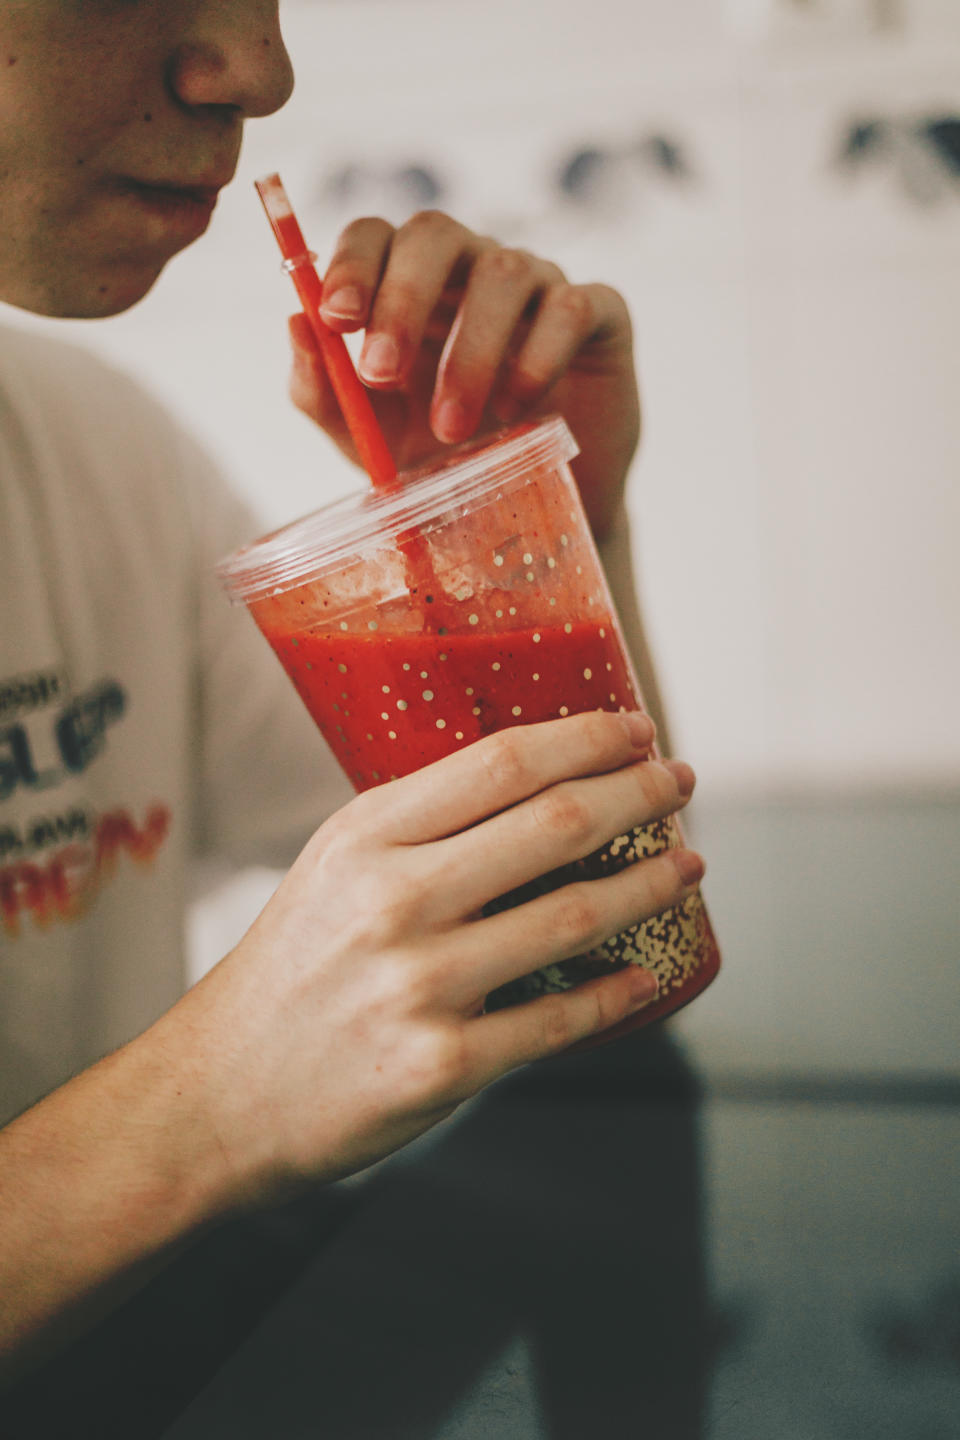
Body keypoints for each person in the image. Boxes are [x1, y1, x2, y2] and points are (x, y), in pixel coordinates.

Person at [0, 0, 703, 1380]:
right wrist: (198, 1118)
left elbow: (592, 933)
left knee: (610, 1087)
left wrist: (545, 531)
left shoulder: (92, 451)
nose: (259, 69)